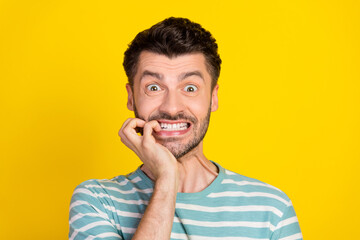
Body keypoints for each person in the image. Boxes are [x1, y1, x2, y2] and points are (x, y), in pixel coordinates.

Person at [69, 17, 302, 240]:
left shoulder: (271, 209)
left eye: (190, 88)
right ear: (131, 98)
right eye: (153, 87)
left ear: (213, 98)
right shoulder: (97, 201)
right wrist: (168, 177)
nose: (171, 108)